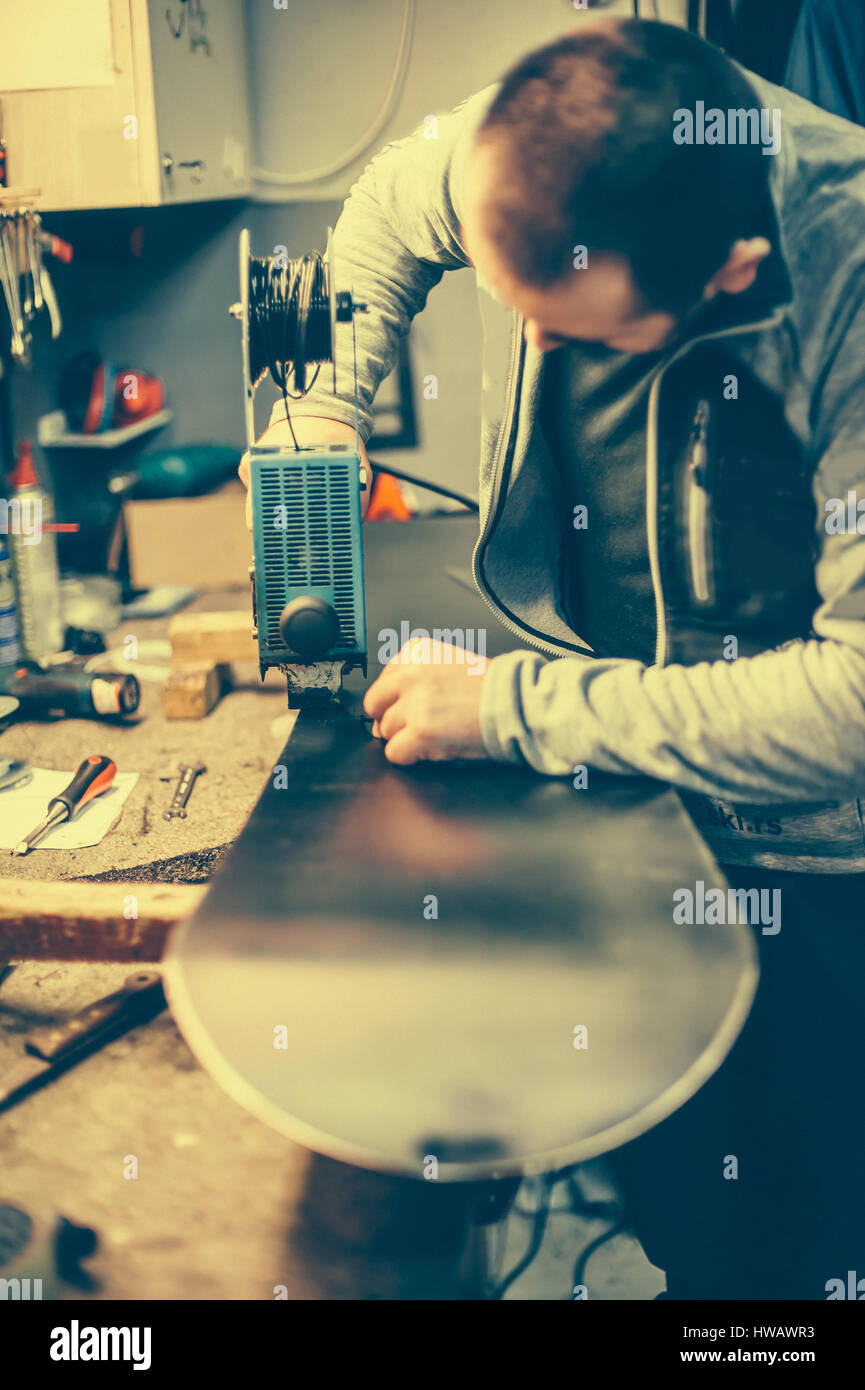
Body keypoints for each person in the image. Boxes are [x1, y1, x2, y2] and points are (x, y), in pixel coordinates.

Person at [240, 16, 865, 1298]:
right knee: (691, 1213)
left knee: (795, 1252)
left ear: (732, 276)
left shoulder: (844, 274)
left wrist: (515, 707)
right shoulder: (526, 140)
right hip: (614, 772)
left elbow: (852, 702)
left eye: (575, 332)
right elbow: (381, 213)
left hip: (807, 840)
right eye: (510, 304)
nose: (532, 346)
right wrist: (323, 413)